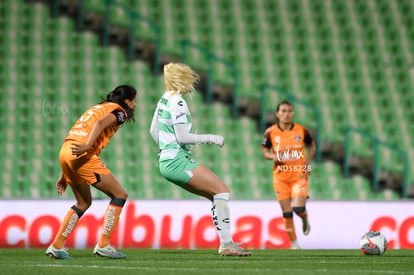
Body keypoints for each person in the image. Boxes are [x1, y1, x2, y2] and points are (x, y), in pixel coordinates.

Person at [149, 63, 251, 256]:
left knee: (215, 195)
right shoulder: (178, 102)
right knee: (222, 190)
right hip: (176, 161)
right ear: (183, 79)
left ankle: (226, 243)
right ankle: (226, 244)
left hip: (166, 161)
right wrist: (211, 138)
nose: (192, 83)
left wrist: (165, 150)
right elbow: (183, 137)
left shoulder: (164, 98)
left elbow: (153, 130)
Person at [45, 85, 137, 259]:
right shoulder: (120, 111)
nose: (136, 105)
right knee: (119, 194)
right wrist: (88, 146)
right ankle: (104, 245)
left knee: (83, 202)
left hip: (66, 150)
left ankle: (56, 245)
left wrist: (65, 173)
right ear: (127, 101)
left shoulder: (98, 107)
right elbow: (100, 124)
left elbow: (83, 130)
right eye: (134, 101)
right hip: (82, 153)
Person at [261, 101, 316, 249]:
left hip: (299, 175)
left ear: (293, 113)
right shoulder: (270, 132)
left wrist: (307, 163)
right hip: (280, 177)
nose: (287, 114)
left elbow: (312, 146)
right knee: (287, 212)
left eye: (289, 111)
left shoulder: (302, 131)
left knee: (298, 209)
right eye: (283, 111)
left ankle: (304, 218)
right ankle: (294, 244)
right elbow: (265, 152)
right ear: (277, 114)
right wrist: (274, 157)